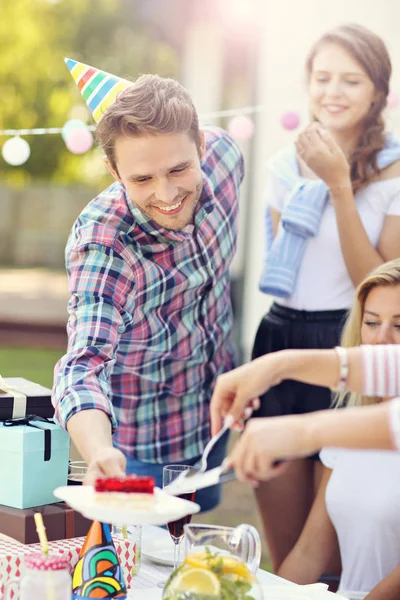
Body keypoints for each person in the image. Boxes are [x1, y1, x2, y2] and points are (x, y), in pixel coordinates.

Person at [52, 59, 244, 512]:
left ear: (200, 144)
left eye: (178, 169)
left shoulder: (227, 157)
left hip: (213, 417)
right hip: (137, 446)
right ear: (114, 172)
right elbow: (81, 366)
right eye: (142, 178)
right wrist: (99, 451)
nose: (166, 194)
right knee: (142, 566)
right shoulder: (104, 245)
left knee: (193, 537)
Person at [251, 23, 400, 570]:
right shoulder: (282, 166)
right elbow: (281, 268)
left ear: (377, 93)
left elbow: (377, 283)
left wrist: (339, 184)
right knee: (287, 549)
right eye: (322, 78)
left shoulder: (394, 171)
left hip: (347, 345)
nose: (332, 92)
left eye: (351, 80)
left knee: (333, 546)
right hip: (280, 337)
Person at [213, 259, 400, 599]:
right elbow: (309, 553)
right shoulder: (347, 431)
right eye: (372, 323)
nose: (382, 339)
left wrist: (298, 423)